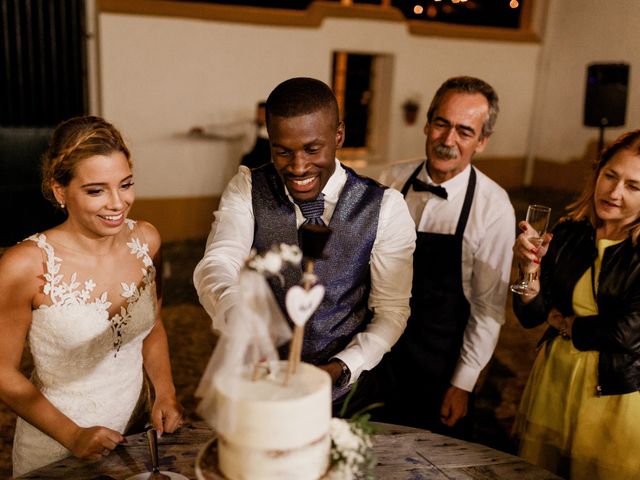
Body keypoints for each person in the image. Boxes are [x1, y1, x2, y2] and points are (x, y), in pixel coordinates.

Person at [193, 77, 416, 406]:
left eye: (313, 149)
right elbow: (217, 263)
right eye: (283, 152)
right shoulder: (247, 188)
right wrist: (237, 313)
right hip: (260, 389)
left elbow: (391, 311)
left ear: (338, 135)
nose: (298, 167)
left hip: (346, 395)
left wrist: (342, 367)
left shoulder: (385, 207)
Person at [0, 116, 183, 477]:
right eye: (96, 190)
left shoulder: (147, 241)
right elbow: (3, 373)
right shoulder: (24, 265)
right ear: (59, 190)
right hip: (56, 446)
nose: (118, 203)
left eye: (126, 184)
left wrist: (165, 392)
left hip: (135, 432)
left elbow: (153, 326)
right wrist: (72, 435)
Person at [375, 76, 515, 437]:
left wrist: (463, 383)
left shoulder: (494, 207)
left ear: (482, 141)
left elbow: (488, 309)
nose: (448, 140)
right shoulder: (391, 178)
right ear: (427, 122)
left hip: (439, 364)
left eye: (464, 131)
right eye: (441, 123)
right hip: (377, 352)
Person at [512, 129, 640, 479]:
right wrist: (529, 269)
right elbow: (532, 314)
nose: (614, 192)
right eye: (610, 176)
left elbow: (627, 333)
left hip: (612, 396)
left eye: (634, 186)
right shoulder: (571, 232)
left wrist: (566, 324)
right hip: (553, 381)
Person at [189, 101, 270, 169]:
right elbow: (227, 130)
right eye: (258, 113)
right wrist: (205, 130)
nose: (259, 116)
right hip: (248, 166)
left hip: (265, 167)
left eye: (262, 113)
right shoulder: (248, 126)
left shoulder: (272, 130)